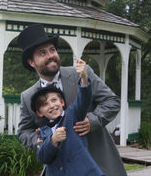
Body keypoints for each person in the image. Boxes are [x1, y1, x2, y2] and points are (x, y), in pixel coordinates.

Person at [17, 24, 126, 176]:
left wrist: (92, 120)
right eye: (42, 53)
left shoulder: (82, 74)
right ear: (31, 62)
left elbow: (112, 101)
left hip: (97, 164)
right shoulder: (27, 96)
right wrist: (41, 140)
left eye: (52, 50)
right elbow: (23, 131)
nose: (50, 55)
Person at [32, 59, 103, 175]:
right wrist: (53, 140)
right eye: (45, 104)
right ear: (40, 113)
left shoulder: (73, 113)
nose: (51, 106)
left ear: (62, 102)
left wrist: (84, 78)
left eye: (54, 100)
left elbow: (84, 100)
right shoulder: (42, 132)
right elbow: (42, 157)